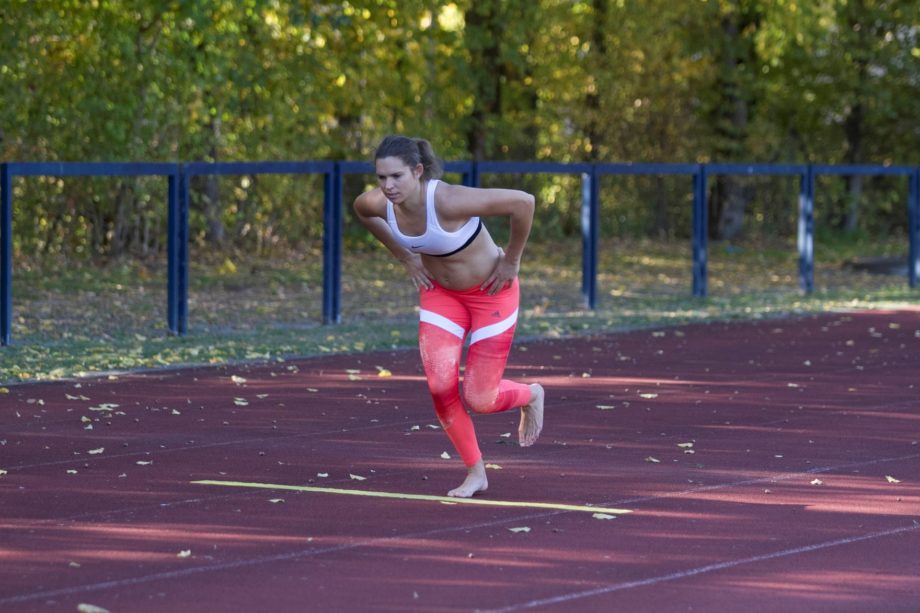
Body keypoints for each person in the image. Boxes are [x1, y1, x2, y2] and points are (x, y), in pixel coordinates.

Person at [353, 135, 545, 498]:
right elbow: (361, 210)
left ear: (418, 171)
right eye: (381, 178)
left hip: (491, 295)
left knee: (480, 397)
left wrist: (512, 260)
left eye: (396, 177)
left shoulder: (448, 199)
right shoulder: (379, 202)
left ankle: (531, 395)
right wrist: (404, 257)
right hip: (441, 296)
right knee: (441, 389)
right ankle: (476, 473)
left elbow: (524, 203)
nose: (387, 186)